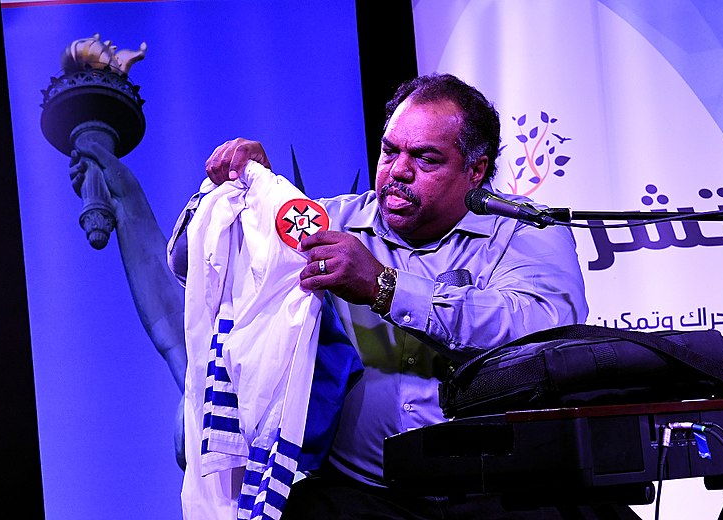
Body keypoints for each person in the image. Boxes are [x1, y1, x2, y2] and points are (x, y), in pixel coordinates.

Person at [169, 73, 626, 519]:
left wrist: (384, 287)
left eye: (425, 158)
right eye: (390, 151)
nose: (398, 171)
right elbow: (197, 263)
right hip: (363, 498)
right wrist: (235, 191)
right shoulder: (328, 222)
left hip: (500, 494)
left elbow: (546, 328)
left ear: (476, 170)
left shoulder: (524, 231)